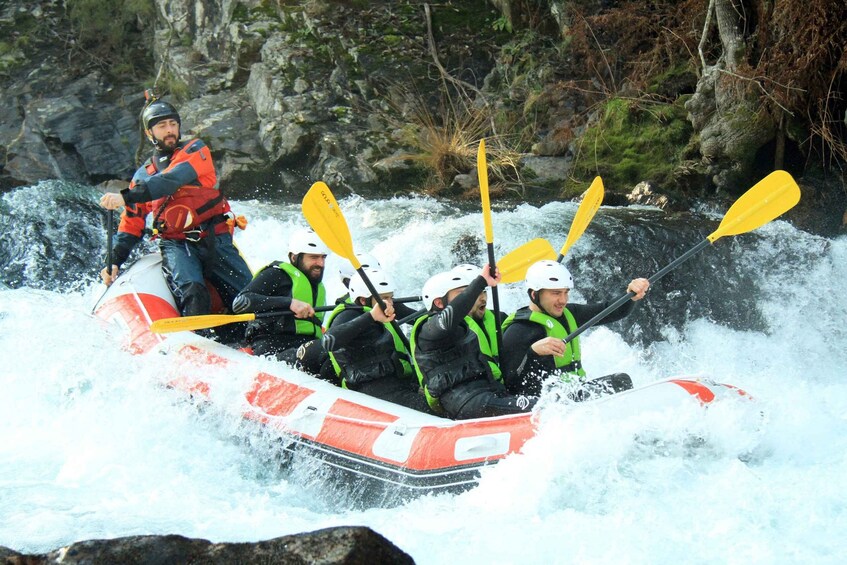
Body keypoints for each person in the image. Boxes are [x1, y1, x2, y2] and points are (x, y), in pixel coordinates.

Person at [98, 98, 252, 333]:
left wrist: (126, 196)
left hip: (214, 236)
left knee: (249, 293)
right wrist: (114, 261)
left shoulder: (196, 150)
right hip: (177, 244)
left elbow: (170, 181)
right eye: (161, 126)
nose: (169, 130)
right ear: (150, 132)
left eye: (172, 124)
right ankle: (198, 343)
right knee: (192, 289)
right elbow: (131, 224)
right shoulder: (142, 176)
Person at [501, 260, 649, 398]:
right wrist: (533, 353)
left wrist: (630, 295)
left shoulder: (569, 313)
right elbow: (510, 385)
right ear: (534, 294)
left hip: (572, 394)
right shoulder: (518, 331)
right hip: (542, 404)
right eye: (556, 293)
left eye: (566, 292)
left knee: (620, 381)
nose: (563, 300)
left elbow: (611, 311)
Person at [410, 264, 537, 420]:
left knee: (550, 399)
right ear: (439, 303)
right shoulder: (429, 330)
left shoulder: (468, 326)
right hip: (464, 401)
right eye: (462, 294)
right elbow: (451, 316)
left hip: (486, 393)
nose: (474, 298)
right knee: (542, 407)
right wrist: (481, 281)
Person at [322, 268, 431, 413]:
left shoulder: (385, 306)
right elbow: (329, 341)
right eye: (385, 298)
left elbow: (420, 319)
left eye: (391, 297)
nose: (390, 303)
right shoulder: (348, 315)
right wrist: (371, 316)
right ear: (363, 300)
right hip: (371, 391)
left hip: (398, 384)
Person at [232, 227, 328, 369]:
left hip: (308, 345)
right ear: (294, 257)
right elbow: (240, 303)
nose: (320, 263)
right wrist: (289, 303)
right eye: (313, 257)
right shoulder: (276, 275)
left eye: (323, 257)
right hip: (274, 347)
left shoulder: (317, 286)